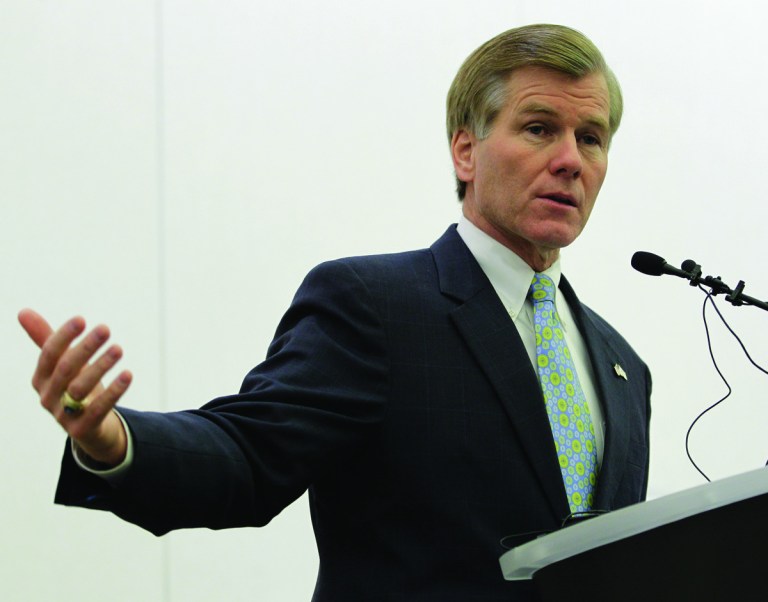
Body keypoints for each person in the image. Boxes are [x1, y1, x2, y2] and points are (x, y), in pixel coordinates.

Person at [19, 23, 651, 601]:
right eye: (539, 128)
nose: (570, 159)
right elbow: (248, 453)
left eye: (590, 138)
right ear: (466, 151)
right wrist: (114, 441)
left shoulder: (625, 368)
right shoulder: (375, 305)